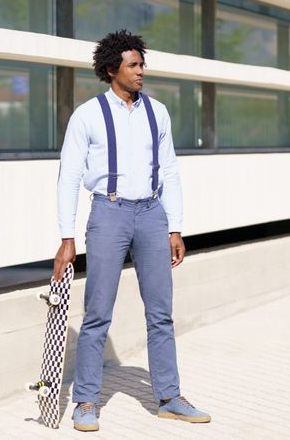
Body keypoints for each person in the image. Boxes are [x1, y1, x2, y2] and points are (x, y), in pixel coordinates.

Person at [53, 29, 210, 432]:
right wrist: (66, 238)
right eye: (133, 65)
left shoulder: (158, 112)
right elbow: (68, 177)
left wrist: (175, 227)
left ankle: (169, 397)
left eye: (142, 64)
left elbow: (171, 170)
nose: (141, 72)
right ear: (112, 70)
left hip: (153, 214)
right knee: (97, 315)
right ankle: (86, 401)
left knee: (161, 314)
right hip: (108, 214)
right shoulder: (87, 115)